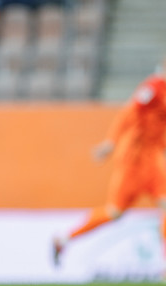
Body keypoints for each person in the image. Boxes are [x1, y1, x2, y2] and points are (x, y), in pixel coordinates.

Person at [53, 60, 166, 266]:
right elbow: (128, 113)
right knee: (114, 212)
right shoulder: (154, 87)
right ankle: (64, 238)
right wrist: (110, 142)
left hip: (154, 158)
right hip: (135, 158)